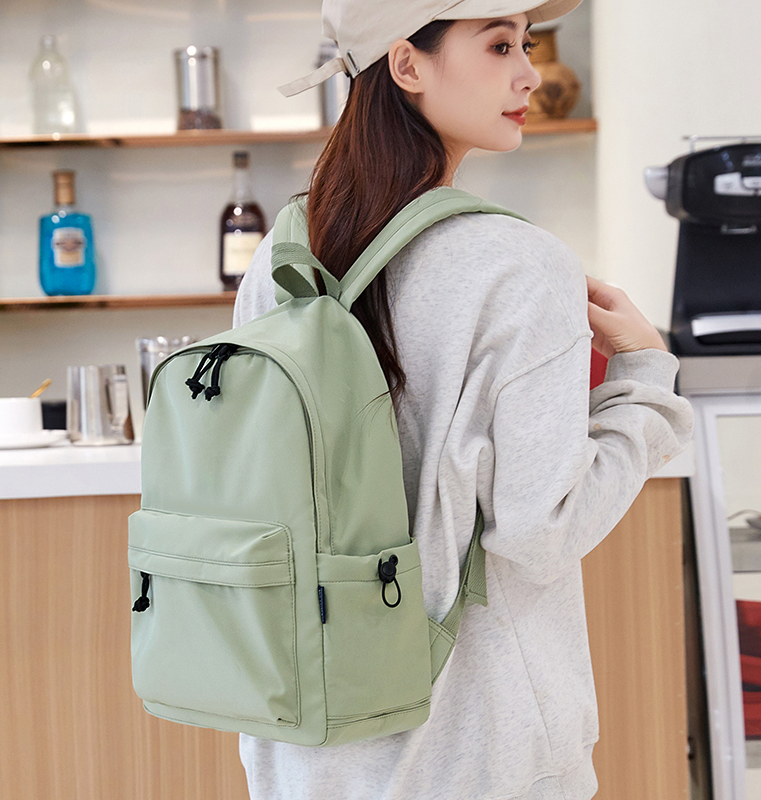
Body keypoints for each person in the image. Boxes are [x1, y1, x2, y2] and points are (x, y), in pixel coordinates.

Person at [232, 1, 695, 797]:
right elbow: (542, 528)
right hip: (480, 756)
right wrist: (646, 383)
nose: (529, 75)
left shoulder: (282, 256)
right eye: (499, 46)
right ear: (406, 65)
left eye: (527, 45)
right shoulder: (519, 265)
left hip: (303, 749)